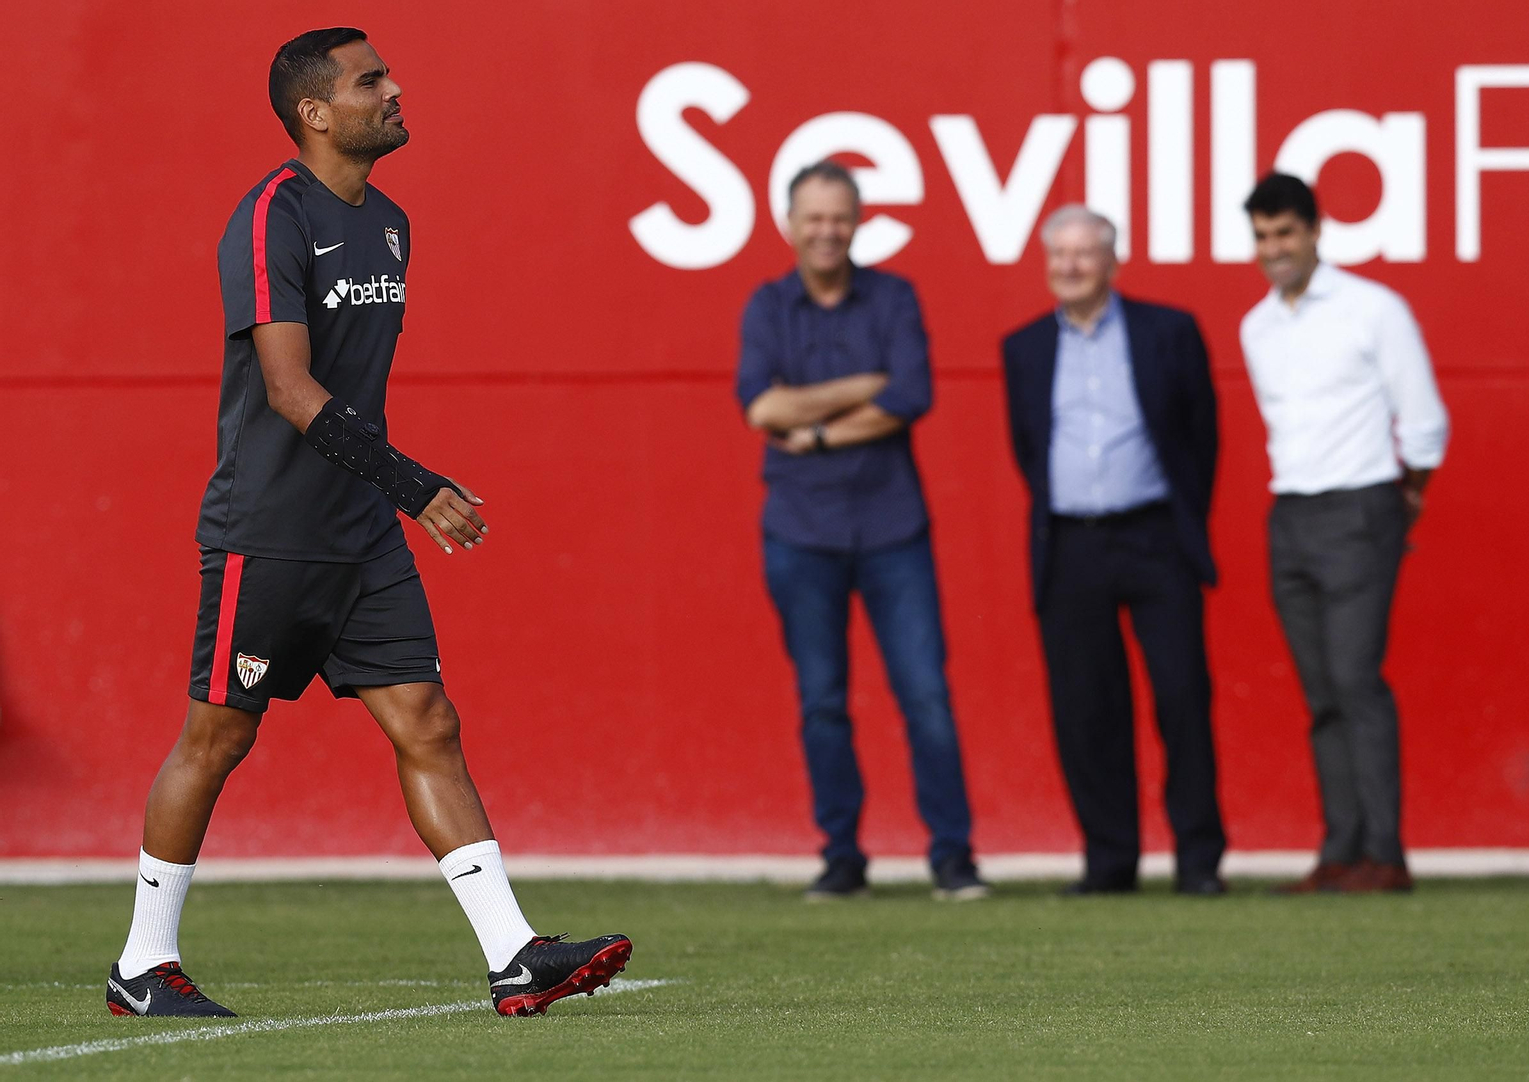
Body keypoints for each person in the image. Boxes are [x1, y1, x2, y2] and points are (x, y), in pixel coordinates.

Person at [106, 28, 629, 1019]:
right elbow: (290, 387)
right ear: (315, 111)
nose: (394, 90)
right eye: (369, 81)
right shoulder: (271, 214)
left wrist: (386, 495)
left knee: (428, 721)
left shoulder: (389, 222)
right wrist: (414, 482)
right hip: (270, 529)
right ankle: (143, 961)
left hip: (361, 536)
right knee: (216, 736)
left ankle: (515, 953)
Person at [736, 162, 988, 902]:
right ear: (789, 224)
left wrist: (812, 431)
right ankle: (842, 856)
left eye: (838, 217)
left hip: (892, 528)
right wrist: (862, 387)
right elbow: (760, 409)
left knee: (925, 696)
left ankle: (953, 857)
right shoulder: (767, 305)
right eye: (813, 217)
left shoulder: (895, 297)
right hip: (800, 533)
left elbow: (911, 395)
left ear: (859, 221)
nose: (826, 231)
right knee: (822, 701)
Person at [1000, 206, 1227, 895]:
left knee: (1182, 697)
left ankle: (1197, 861)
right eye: (1058, 254)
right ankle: (1109, 862)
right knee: (1086, 707)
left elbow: (1201, 439)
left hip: (1155, 536)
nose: (1069, 266)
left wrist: (1181, 523)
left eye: (1084, 253)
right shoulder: (1025, 347)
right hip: (1071, 544)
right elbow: (1027, 449)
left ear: (1113, 261)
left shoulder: (1169, 331)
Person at [1239, 173, 1449, 894]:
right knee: (1321, 690)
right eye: (1263, 237)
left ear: (1315, 230)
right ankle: (1340, 850)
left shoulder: (1372, 309)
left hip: (1362, 506)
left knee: (1357, 679)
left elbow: (1422, 418)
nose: (1275, 250)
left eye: (1286, 233)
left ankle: (1384, 856)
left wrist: (1406, 498)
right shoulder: (1257, 326)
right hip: (1290, 513)